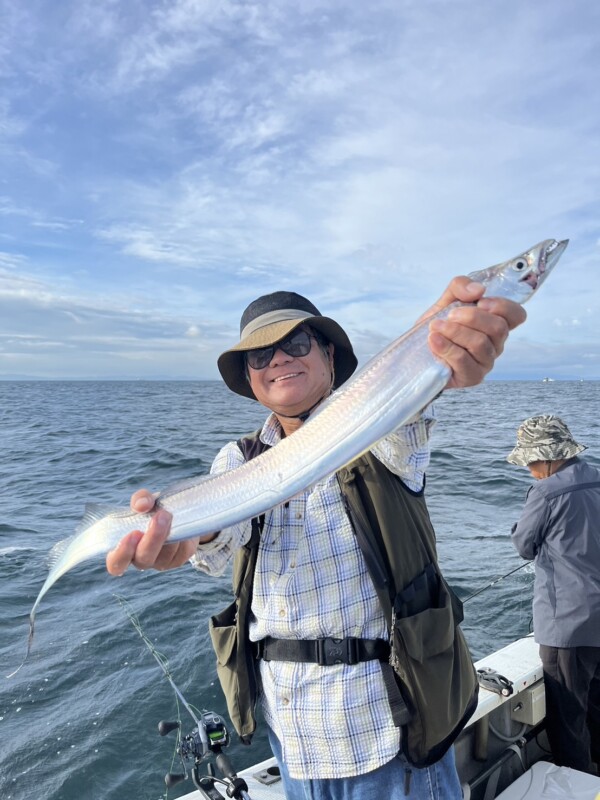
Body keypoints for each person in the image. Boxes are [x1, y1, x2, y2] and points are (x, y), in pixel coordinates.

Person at [107, 277, 525, 799]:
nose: (278, 358)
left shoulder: (379, 425)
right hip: (290, 732)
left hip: (389, 728)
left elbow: (409, 407)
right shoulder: (239, 460)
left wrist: (436, 347)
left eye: (297, 343)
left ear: (329, 356)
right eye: (259, 355)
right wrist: (188, 535)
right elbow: (215, 549)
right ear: (251, 378)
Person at [508, 414, 600, 775]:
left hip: (569, 627)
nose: (530, 469)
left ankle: (577, 784)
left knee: (568, 719)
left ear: (549, 456)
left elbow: (523, 545)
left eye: (531, 461)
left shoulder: (545, 493)